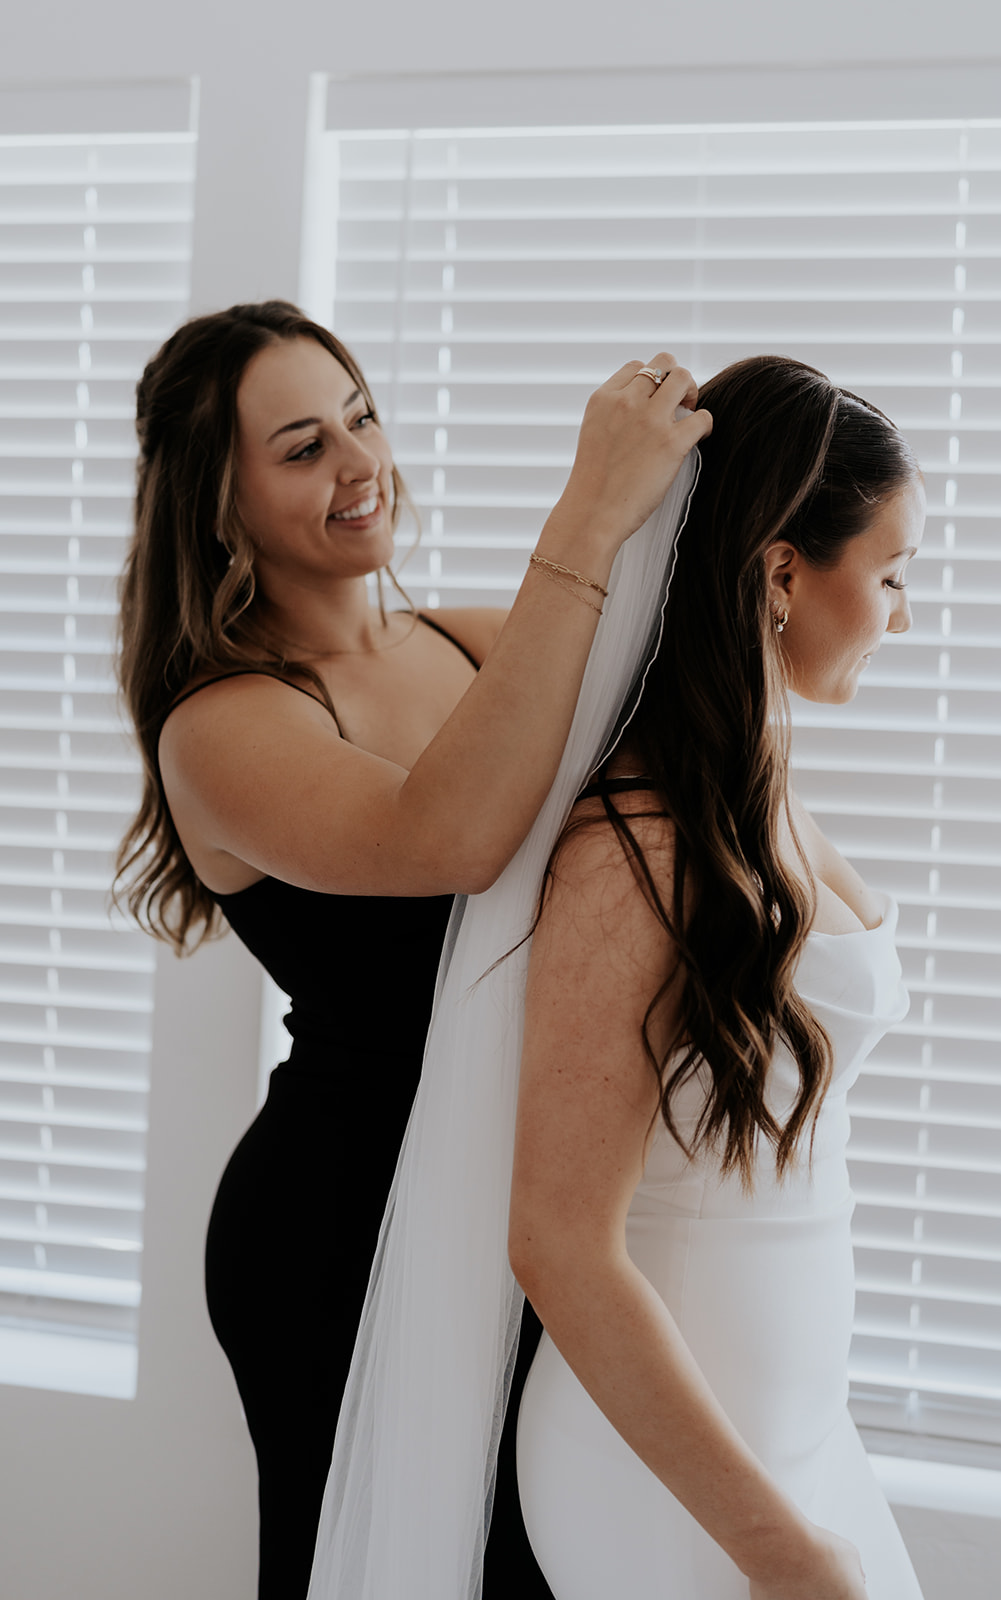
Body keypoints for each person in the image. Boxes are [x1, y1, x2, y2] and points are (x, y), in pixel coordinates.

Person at [113, 298, 710, 1600]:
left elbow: (690, 773)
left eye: (362, 415)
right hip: (341, 1218)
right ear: (218, 502)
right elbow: (449, 838)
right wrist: (585, 518)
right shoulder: (218, 729)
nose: (359, 460)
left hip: (523, 1211)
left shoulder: (478, 642)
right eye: (302, 445)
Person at [306, 354, 927, 1600]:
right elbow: (559, 1242)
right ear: (783, 571)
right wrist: (774, 1547)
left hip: (794, 1429)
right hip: (667, 1478)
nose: (903, 613)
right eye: (893, 573)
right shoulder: (636, 848)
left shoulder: (757, 790)